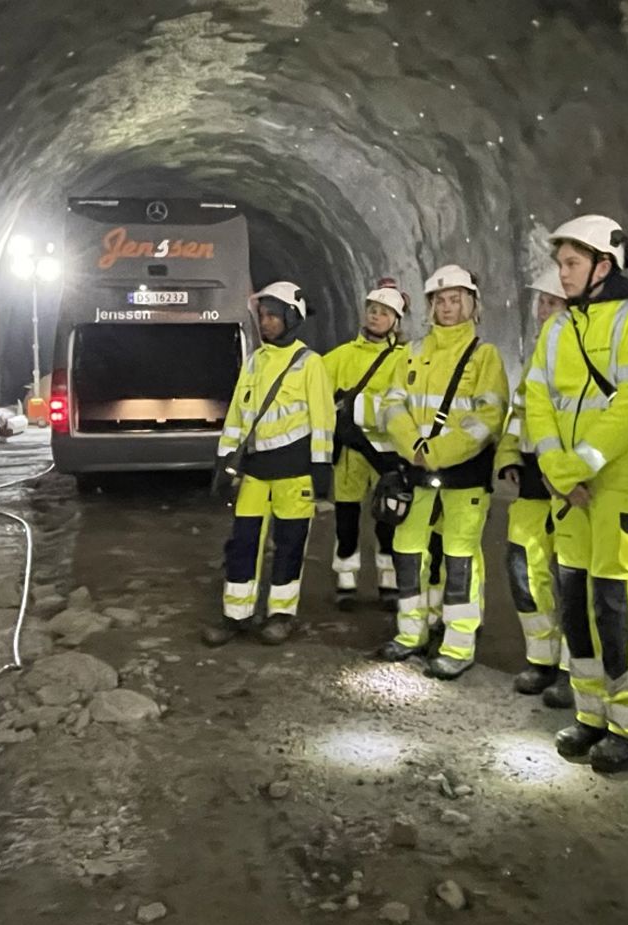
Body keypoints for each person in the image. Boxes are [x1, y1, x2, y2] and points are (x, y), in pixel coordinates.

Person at [524, 215, 628, 774]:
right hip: (571, 492)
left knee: (618, 609)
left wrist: (579, 464)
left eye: (571, 264)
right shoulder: (558, 330)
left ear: (603, 266)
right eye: (560, 264)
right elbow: (536, 398)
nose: (561, 276)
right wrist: (557, 471)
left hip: (623, 488)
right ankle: (590, 716)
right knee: (577, 605)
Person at [377, 265, 508, 680]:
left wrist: (434, 451)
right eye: (440, 301)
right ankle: (411, 632)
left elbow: (488, 418)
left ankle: (458, 642)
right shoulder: (413, 353)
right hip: (416, 471)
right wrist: (413, 446)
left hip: (464, 476)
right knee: (409, 551)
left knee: (460, 558)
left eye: (456, 300)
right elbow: (391, 405)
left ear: (471, 304)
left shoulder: (484, 356)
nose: (448, 308)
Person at [206, 281, 334, 646]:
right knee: (243, 542)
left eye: (273, 315)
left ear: (292, 317)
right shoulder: (254, 362)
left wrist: (321, 470)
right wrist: (223, 460)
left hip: (295, 473)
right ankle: (236, 615)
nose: (266, 322)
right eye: (263, 315)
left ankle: (281, 614)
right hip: (255, 473)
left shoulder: (310, 364)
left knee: (290, 544)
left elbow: (323, 420)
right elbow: (237, 415)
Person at [495, 268, 570, 698]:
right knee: (525, 572)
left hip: (566, 487)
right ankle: (541, 659)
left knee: (569, 581)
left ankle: (573, 671)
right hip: (530, 484)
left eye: (553, 303)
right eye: (542, 302)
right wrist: (508, 456)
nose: (544, 311)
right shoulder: (537, 355)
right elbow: (519, 414)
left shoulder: (580, 356)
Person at [322, 282, 408, 611]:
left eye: (384, 312)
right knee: (347, 519)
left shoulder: (405, 359)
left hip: (386, 455)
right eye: (372, 310)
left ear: (396, 320)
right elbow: (316, 385)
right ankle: (346, 580)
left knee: (387, 520)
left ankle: (388, 581)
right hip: (351, 453)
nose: (375, 316)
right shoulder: (343, 355)